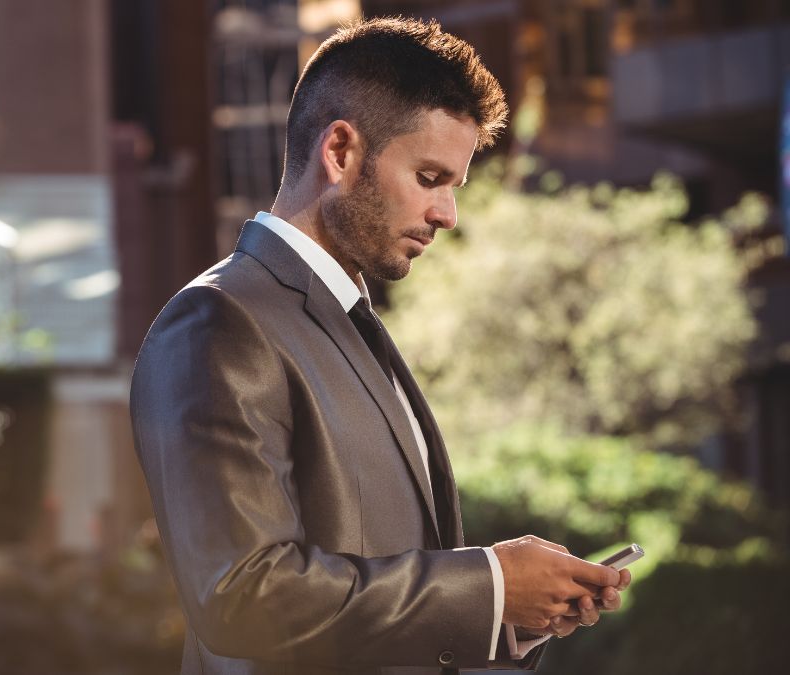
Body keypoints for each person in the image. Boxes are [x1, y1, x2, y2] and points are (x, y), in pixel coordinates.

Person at [129, 16, 630, 675]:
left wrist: (504, 617)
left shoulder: (350, 322)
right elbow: (242, 596)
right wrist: (492, 581)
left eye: (454, 186)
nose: (448, 214)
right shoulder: (217, 321)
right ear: (339, 152)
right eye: (429, 178)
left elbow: (388, 595)